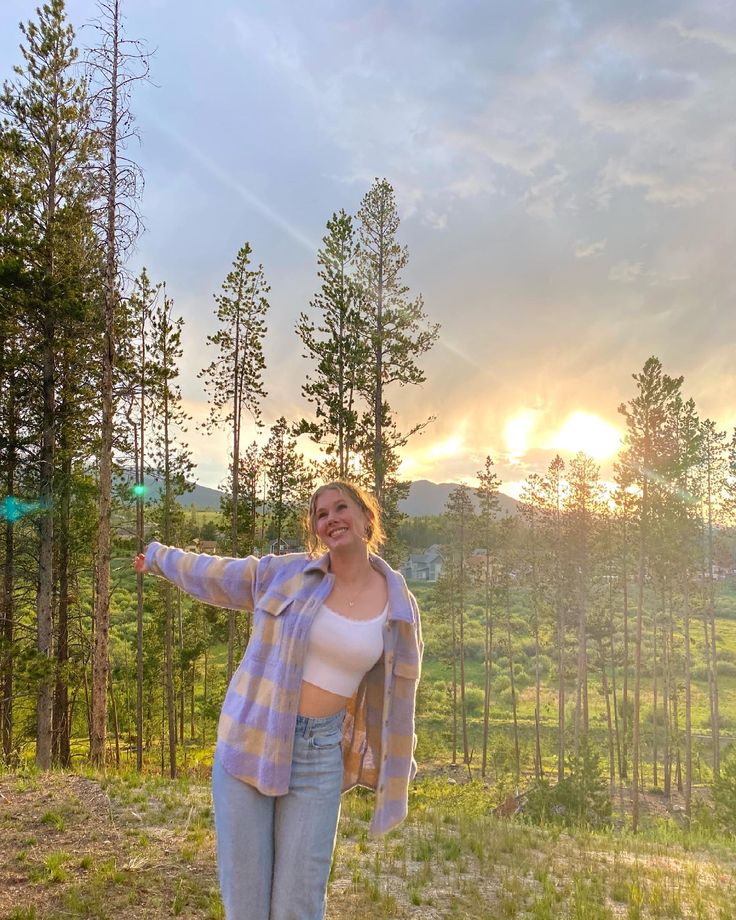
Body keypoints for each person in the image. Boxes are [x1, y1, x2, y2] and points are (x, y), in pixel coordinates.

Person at [134, 481, 423, 920]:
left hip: (320, 757)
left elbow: (402, 697)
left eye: (341, 507)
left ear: (367, 517)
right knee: (247, 904)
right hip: (252, 738)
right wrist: (158, 558)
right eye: (320, 514)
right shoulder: (286, 574)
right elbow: (216, 573)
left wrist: (395, 762)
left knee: (298, 905)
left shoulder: (398, 605)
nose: (330, 519)